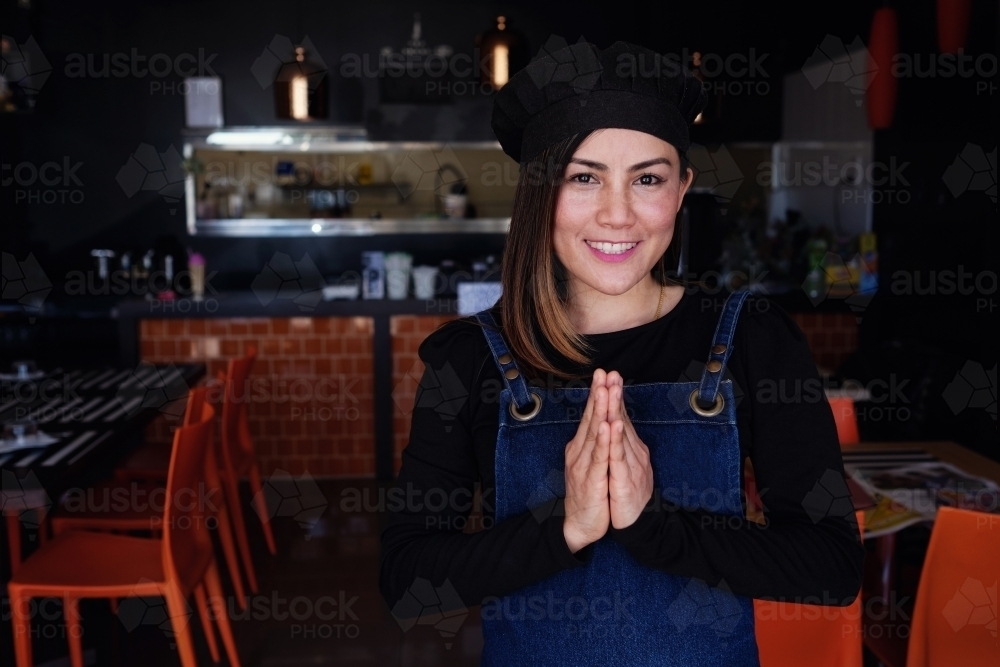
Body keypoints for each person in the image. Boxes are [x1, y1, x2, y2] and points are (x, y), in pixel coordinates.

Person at [380, 40, 864, 666]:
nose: (617, 215)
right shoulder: (469, 359)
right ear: (538, 191)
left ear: (682, 187)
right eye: (583, 177)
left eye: (648, 179)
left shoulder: (753, 339)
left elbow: (831, 565)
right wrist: (563, 527)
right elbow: (407, 582)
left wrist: (656, 528)